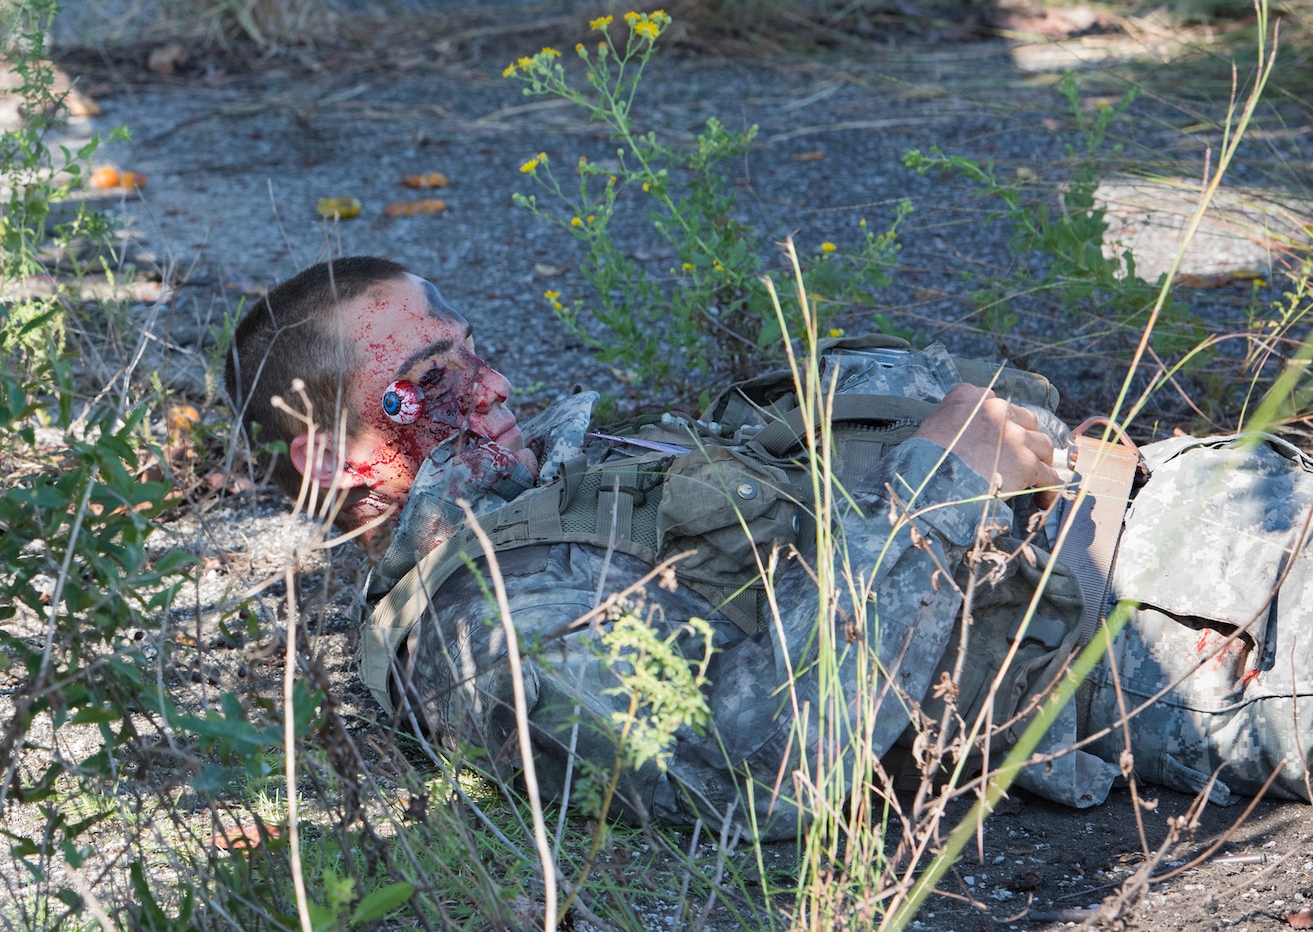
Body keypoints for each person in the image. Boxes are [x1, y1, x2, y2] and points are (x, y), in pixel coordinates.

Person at [224, 256, 1313, 833]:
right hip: (1220, 629)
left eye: (475, 353)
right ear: (329, 459)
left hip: (1230, 505)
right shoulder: (471, 630)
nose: (495, 385)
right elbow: (764, 769)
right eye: (437, 378)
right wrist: (945, 480)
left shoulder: (570, 482)